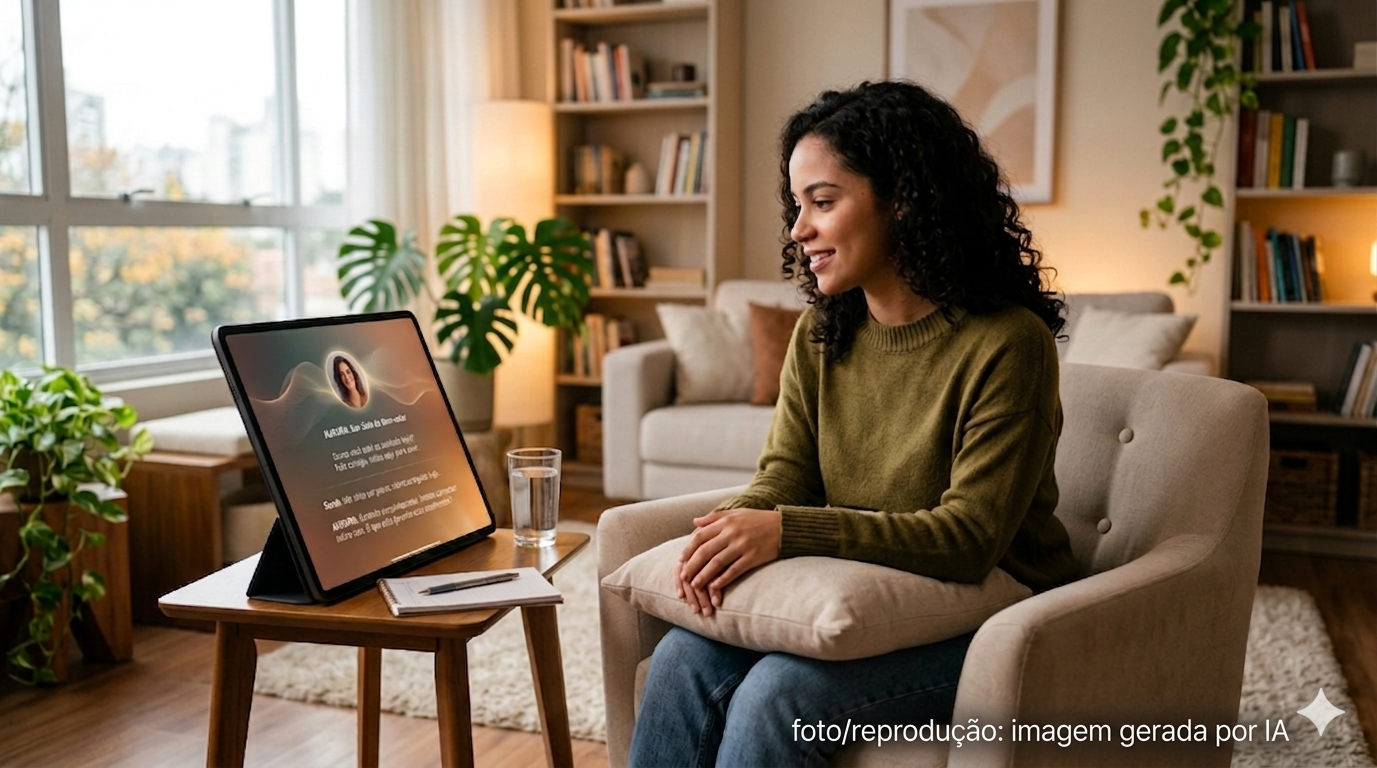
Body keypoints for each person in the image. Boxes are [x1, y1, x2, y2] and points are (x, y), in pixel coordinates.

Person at [627, 80, 1081, 767]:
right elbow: (783, 475)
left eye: (822, 202)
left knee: (780, 694)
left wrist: (784, 531)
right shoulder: (822, 331)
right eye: (796, 206)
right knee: (680, 660)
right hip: (870, 593)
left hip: (998, 617)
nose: (798, 229)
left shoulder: (1007, 343)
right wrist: (731, 534)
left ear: (901, 200)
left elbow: (969, 537)